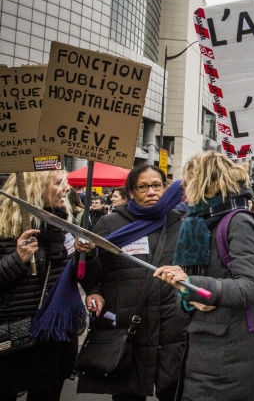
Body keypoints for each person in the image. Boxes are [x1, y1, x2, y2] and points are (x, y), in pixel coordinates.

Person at [155, 150, 254, 401]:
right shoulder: (196, 221)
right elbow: (185, 292)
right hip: (199, 349)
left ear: (207, 182)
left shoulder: (238, 220)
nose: (185, 188)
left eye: (189, 181)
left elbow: (250, 287)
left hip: (231, 355)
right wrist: (187, 294)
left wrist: (194, 285)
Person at [75, 164, 186, 401]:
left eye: (157, 185)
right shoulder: (110, 223)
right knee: (129, 394)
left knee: (174, 392)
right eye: (143, 187)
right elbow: (94, 274)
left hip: (171, 328)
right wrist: (89, 260)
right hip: (129, 327)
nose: (152, 192)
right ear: (131, 191)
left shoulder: (181, 223)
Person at [0, 170, 86, 400]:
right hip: (13, 336)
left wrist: (86, 256)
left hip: (53, 339)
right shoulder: (4, 229)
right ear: (35, 188)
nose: (67, 188)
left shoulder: (63, 227)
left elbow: (75, 278)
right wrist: (17, 259)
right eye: (59, 183)